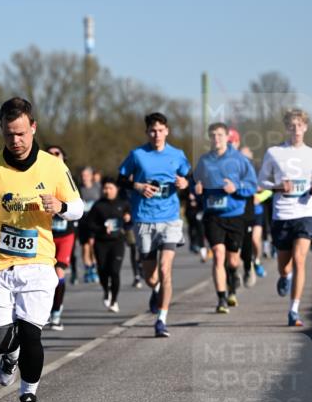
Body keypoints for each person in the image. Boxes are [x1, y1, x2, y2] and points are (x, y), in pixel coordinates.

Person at [0, 97, 83, 402]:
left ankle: (28, 396)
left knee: (32, 334)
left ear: (33, 128)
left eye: (20, 133)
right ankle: (9, 355)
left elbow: (78, 207)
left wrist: (59, 207)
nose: (15, 141)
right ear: (1, 131)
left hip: (39, 263)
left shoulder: (53, 166)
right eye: (8, 134)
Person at [119, 112, 190, 337]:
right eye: (152, 130)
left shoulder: (177, 155)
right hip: (144, 219)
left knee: (165, 269)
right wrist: (138, 187)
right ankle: (156, 289)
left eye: (160, 130)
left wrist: (185, 182)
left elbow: (190, 177)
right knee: (151, 276)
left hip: (170, 219)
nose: (156, 134)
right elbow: (120, 179)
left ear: (167, 131)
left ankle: (161, 319)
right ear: (147, 132)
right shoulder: (137, 155)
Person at [257, 109, 312, 327]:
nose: (296, 130)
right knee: (285, 266)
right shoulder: (274, 153)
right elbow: (261, 182)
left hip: (304, 213)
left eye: (300, 126)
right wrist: (278, 186)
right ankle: (284, 277)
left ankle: (294, 310)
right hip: (282, 215)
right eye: (291, 126)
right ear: (286, 128)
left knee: (300, 259)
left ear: (305, 127)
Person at [193, 123, 258, 314]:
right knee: (218, 255)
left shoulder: (239, 159)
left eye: (220, 135)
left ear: (227, 137)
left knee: (232, 260)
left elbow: (253, 185)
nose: (216, 139)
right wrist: (196, 190)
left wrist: (236, 188)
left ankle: (233, 282)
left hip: (235, 215)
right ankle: (221, 299)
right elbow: (195, 183)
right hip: (213, 215)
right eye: (213, 135)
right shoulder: (204, 161)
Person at [87, 176, 130, 313]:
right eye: (105, 188)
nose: (107, 191)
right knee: (103, 270)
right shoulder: (98, 205)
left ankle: (114, 300)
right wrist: (101, 229)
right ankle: (106, 291)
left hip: (117, 242)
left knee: (115, 271)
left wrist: (128, 219)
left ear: (116, 189)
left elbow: (130, 220)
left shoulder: (123, 203)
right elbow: (89, 224)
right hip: (101, 242)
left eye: (110, 188)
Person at [46, 145, 76, 331]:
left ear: (64, 157)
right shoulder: (38, 176)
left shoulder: (69, 179)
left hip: (65, 235)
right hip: (45, 235)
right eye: (49, 154)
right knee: (45, 276)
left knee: (58, 273)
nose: (53, 156)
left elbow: (76, 207)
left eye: (57, 154)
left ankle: (56, 313)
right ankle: (43, 311)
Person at [77, 167, 101, 283]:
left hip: (95, 222)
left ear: (91, 176)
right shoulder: (78, 189)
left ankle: (94, 268)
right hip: (83, 222)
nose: (84, 178)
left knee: (94, 246)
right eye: (82, 175)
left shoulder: (98, 187)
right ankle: (88, 269)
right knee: (85, 246)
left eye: (86, 175)